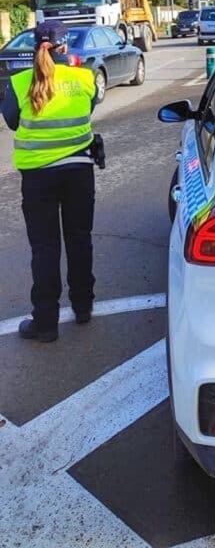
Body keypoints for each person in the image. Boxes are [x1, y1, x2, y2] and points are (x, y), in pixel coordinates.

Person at [1, 20, 98, 343]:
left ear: (34, 47)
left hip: (38, 177)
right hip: (78, 172)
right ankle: (83, 307)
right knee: (79, 238)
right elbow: (90, 105)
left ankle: (45, 323)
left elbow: (13, 121)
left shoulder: (18, 83)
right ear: (65, 47)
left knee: (44, 248)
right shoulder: (84, 77)